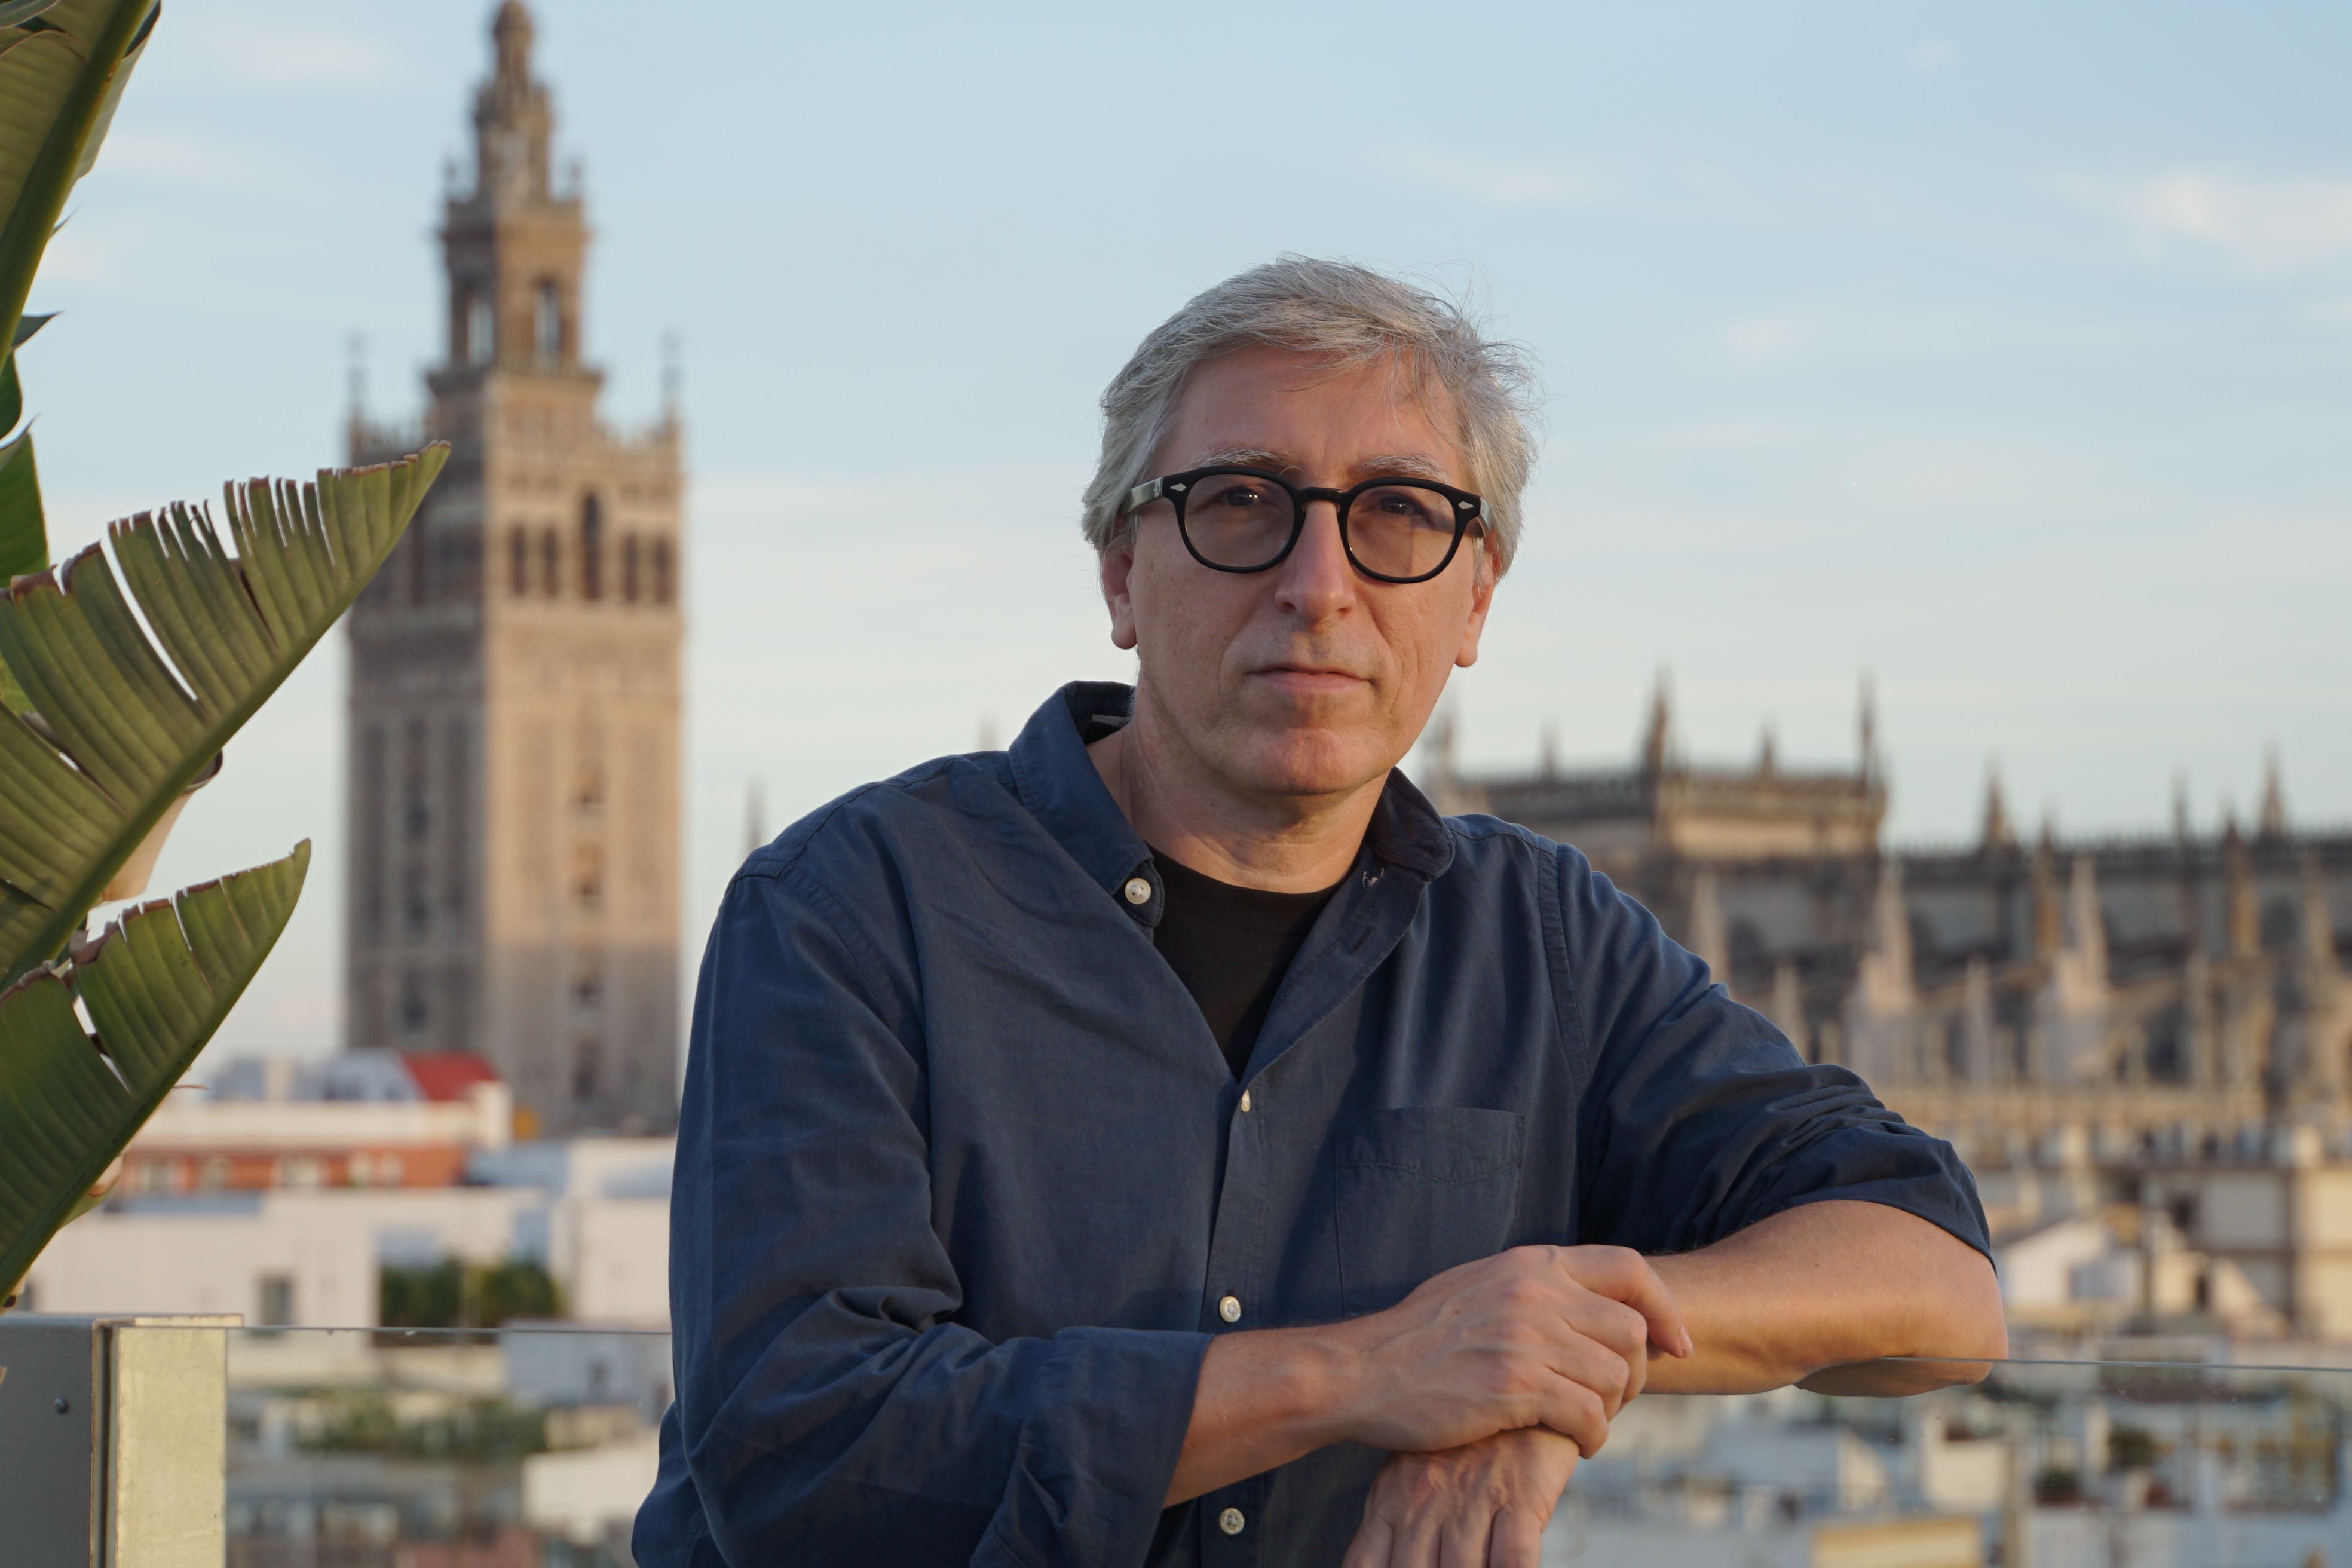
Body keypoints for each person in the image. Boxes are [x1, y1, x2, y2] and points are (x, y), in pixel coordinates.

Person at [635, 257, 2005, 1568]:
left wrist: (1544, 1363)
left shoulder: (1542, 941)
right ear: (1121, 570)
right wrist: (1365, 1374)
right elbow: (807, 1452)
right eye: (1241, 502)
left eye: (1401, 513)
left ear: (1476, 598)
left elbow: (1937, 1282)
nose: (1320, 583)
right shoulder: (851, 911)